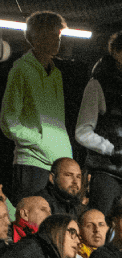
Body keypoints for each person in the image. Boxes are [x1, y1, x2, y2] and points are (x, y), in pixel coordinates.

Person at [74, 29, 122, 215]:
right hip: (108, 174)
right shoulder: (97, 84)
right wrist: (113, 150)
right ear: (115, 53)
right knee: (103, 229)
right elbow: (82, 132)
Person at [2, 12, 71, 199]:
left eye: (59, 35)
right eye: (52, 35)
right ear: (36, 38)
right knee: (31, 221)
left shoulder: (56, 74)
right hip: (32, 161)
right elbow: (8, 121)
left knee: (56, 223)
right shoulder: (21, 69)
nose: (57, 40)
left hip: (58, 162)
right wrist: (38, 140)